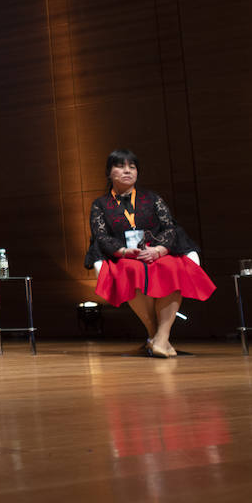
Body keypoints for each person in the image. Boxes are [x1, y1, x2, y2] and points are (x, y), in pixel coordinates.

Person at [85, 148, 216, 358]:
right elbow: (100, 236)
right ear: (109, 173)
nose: (127, 171)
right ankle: (159, 339)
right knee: (131, 270)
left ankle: (159, 339)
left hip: (156, 253)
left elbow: (170, 227)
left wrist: (158, 250)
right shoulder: (100, 204)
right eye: (120, 166)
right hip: (123, 256)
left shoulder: (152, 198)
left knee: (172, 267)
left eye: (132, 166)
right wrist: (125, 251)